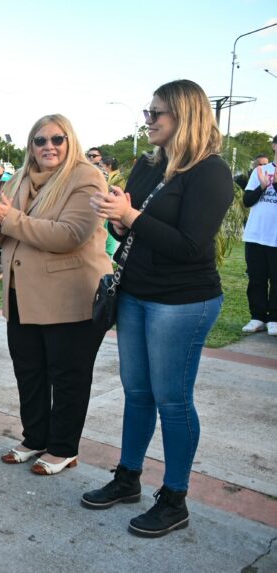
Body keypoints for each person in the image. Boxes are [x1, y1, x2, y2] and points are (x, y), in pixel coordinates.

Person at [83, 79, 234, 538]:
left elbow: (190, 246)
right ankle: (128, 477)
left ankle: (174, 498)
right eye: (147, 112)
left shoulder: (210, 172)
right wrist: (119, 219)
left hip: (183, 301)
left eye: (156, 113)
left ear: (184, 116)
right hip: (136, 293)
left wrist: (131, 217)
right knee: (137, 392)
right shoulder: (149, 166)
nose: (147, 121)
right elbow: (135, 232)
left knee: (172, 398)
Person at [0, 114, 110, 471]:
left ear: (70, 141)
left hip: (69, 296)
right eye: (40, 140)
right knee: (29, 372)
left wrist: (7, 218)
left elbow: (69, 234)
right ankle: (35, 438)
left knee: (67, 376)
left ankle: (64, 448)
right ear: (31, 146)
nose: (48, 146)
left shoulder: (86, 177)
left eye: (57, 139)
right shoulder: (19, 178)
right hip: (21, 295)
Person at [240, 134, 277, 336]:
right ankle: (258, 317)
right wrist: (263, 186)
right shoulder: (260, 170)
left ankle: (274, 319)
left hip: (275, 237)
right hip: (256, 234)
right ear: (274, 146)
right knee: (256, 278)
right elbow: (247, 201)